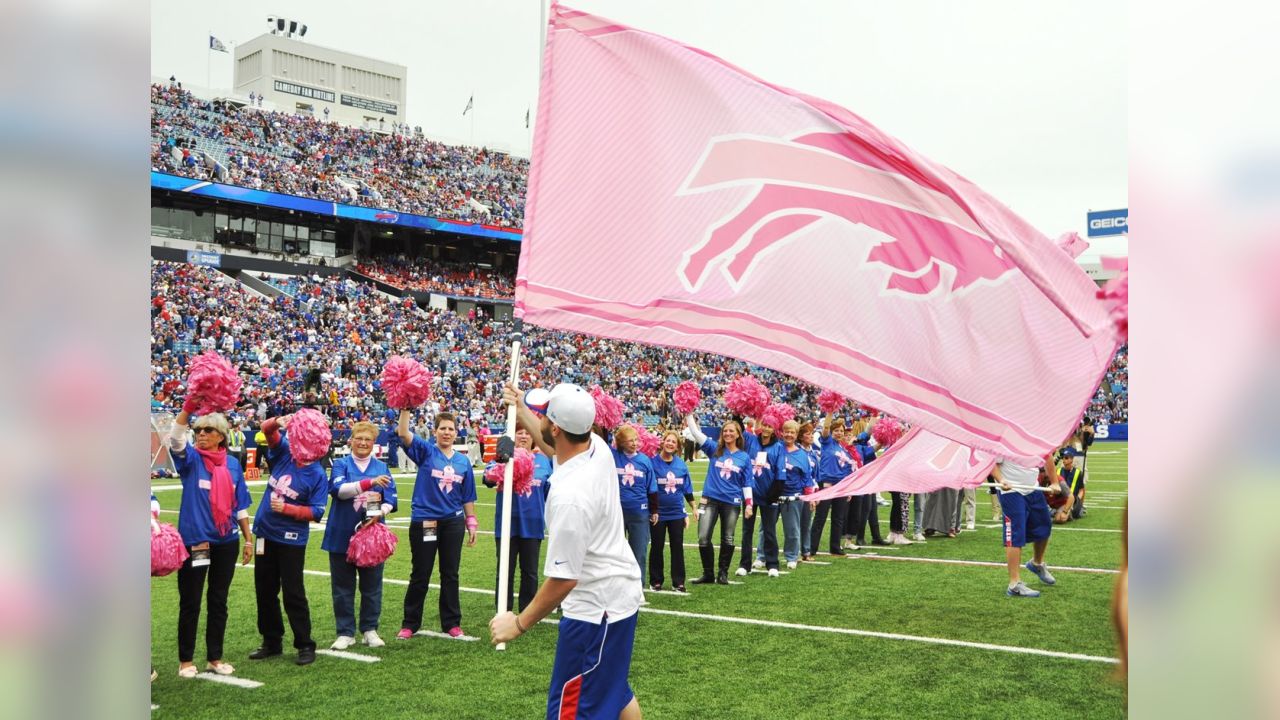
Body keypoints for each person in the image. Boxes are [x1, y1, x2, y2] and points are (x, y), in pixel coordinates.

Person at [490, 383, 645, 720]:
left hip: (595, 609)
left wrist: (517, 624)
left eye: (546, 415)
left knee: (572, 709)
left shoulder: (571, 497)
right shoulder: (597, 447)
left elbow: (563, 579)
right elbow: (552, 446)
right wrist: (521, 408)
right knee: (614, 690)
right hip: (617, 595)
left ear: (558, 426)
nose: (541, 419)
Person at [166, 407, 254, 678]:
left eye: (208, 430)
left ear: (221, 437)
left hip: (226, 540)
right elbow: (176, 440)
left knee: (219, 600)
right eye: (198, 430)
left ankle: (215, 657)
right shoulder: (191, 459)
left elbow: (239, 505)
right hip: (196, 541)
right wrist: (188, 408)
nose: (201, 434)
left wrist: (248, 540)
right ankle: (186, 660)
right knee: (190, 601)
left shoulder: (232, 464)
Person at [249, 413, 329, 665]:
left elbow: (316, 512)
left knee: (293, 592)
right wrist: (278, 422)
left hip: (291, 539)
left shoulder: (317, 474)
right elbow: (266, 431)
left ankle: (305, 644)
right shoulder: (285, 453)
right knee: (265, 590)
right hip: (265, 533)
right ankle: (271, 641)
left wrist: (289, 510)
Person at [396, 410, 479, 639]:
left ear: (456, 432)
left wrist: (471, 522)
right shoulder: (426, 451)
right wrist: (405, 410)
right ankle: (410, 623)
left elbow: (468, 495)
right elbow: (403, 433)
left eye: (451, 429)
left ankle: (452, 622)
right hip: (426, 520)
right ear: (435, 431)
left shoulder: (463, 461)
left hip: (452, 522)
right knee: (421, 573)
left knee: (450, 573)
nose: (447, 432)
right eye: (443, 428)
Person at [321, 421, 397, 650]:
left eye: (368, 439)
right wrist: (368, 483)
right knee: (342, 586)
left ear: (374, 443)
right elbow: (339, 491)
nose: (363, 443)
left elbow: (391, 499)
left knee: (372, 585)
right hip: (341, 533)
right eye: (359, 438)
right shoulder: (341, 465)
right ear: (351, 440)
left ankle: (369, 629)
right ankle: (345, 632)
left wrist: (381, 512)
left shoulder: (382, 468)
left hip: (372, 537)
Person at [482, 426, 552, 613]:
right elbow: (488, 479)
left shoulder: (544, 461)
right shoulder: (504, 459)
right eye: (519, 432)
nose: (523, 436)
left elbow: (550, 492)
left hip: (533, 523)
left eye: (528, 432)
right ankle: (503, 610)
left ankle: (527, 610)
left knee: (530, 572)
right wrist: (501, 461)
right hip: (507, 524)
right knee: (505, 570)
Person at [683, 416, 753, 583]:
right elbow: (695, 432)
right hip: (710, 499)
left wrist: (749, 505)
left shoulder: (744, 457)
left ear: (738, 434)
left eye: (731, 431)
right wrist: (688, 413)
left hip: (732, 502)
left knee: (728, 538)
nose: (728, 433)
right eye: (725, 431)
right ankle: (708, 574)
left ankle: (723, 573)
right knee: (703, 537)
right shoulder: (714, 448)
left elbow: (747, 483)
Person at [993, 456, 1057, 597]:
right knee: (1015, 535)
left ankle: (1036, 563)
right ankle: (1014, 584)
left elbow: (1047, 456)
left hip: (1032, 488)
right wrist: (1001, 480)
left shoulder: (1034, 436)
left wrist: (1054, 482)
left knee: (1044, 525)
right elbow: (991, 461)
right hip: (1011, 491)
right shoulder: (1004, 438)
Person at [762, 420, 815, 572]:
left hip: (792, 496)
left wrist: (810, 497)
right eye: (786, 431)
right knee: (766, 529)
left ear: (797, 435)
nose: (789, 435)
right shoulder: (775, 448)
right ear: (781, 432)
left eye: (792, 432)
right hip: (772, 495)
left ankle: (791, 556)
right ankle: (761, 556)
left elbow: (807, 478)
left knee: (792, 530)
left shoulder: (802, 455)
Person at [648, 430, 697, 591]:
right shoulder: (652, 462)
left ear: (677, 447)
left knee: (677, 546)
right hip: (658, 513)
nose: (670, 443)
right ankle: (656, 580)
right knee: (657, 546)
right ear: (662, 442)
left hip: (676, 512)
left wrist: (692, 508)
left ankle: (678, 581)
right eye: (667, 440)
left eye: (673, 442)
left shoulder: (681, 464)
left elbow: (687, 488)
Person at [610, 425, 658, 587]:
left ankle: (637, 587)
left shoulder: (645, 461)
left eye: (636, 440)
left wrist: (654, 510)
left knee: (639, 552)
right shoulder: (613, 456)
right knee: (613, 552)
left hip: (639, 512)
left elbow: (652, 487)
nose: (634, 443)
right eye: (629, 440)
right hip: (616, 512)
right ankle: (615, 586)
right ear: (620, 442)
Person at [810, 415, 854, 556]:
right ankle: (812, 547)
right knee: (820, 517)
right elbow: (826, 428)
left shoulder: (845, 450)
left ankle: (835, 547)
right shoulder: (827, 442)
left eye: (841, 431)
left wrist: (848, 490)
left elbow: (848, 471)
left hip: (840, 486)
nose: (839, 433)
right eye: (836, 430)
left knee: (838, 518)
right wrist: (829, 413)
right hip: (827, 484)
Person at [743, 422, 778, 575]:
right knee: (747, 531)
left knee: (769, 531)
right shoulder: (751, 440)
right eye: (764, 424)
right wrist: (737, 413)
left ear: (774, 429)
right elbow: (738, 427)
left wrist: (773, 494)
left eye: (770, 426)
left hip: (768, 495)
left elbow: (780, 473)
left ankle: (772, 564)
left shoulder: (778, 447)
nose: (766, 428)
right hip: (749, 494)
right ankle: (745, 564)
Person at [798, 421, 819, 561]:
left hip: (810, 490)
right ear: (801, 437)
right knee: (795, 524)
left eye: (812, 434)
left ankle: (805, 551)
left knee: (806, 522)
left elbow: (815, 476)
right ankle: (795, 551)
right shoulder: (797, 451)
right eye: (808, 434)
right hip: (796, 491)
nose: (811, 436)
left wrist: (815, 493)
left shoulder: (813, 453)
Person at [1058, 447, 1087, 519]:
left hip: (1072, 501)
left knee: (1062, 518)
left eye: (1066, 458)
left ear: (1072, 459)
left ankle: (1074, 511)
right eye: (1063, 458)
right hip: (1060, 500)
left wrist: (1079, 502)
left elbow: (1081, 490)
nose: (1064, 460)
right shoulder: (1058, 471)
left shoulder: (1078, 472)